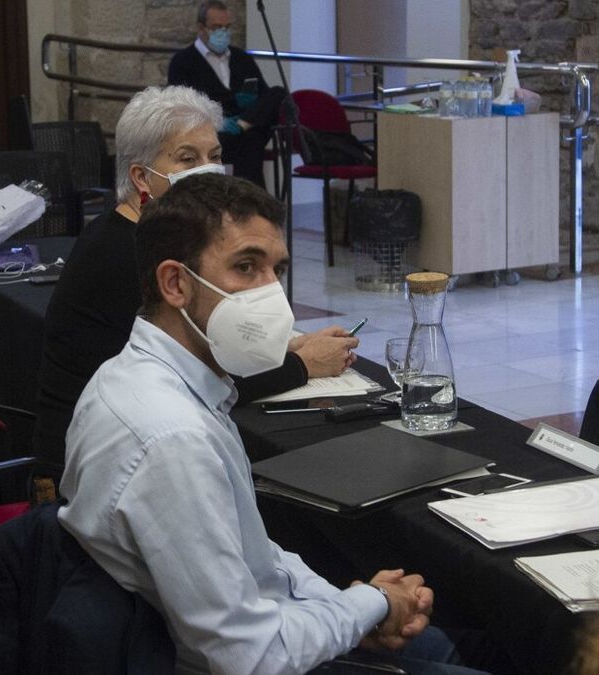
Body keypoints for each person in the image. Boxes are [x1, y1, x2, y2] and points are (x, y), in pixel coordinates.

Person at [58, 173, 485, 674]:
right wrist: (370, 605)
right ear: (175, 283)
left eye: (276, 270)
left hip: (262, 627)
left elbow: (256, 557)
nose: (271, 294)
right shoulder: (172, 438)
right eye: (245, 267)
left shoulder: (148, 378)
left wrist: (356, 606)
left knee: (472, 642)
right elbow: (249, 656)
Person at [33, 85, 355, 475]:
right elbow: (200, 371)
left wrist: (284, 341)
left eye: (214, 156)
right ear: (141, 177)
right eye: (188, 158)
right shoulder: (125, 249)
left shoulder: (146, 232)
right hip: (90, 462)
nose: (207, 169)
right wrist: (301, 363)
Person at [168, 0, 286, 188]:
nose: (223, 32)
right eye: (216, 27)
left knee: (278, 93)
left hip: (243, 125)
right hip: (211, 132)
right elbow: (182, 106)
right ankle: (252, 207)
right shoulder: (183, 62)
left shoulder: (241, 58)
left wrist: (246, 113)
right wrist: (224, 117)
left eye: (227, 27)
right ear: (201, 28)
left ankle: (243, 125)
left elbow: (265, 95)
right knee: (251, 143)